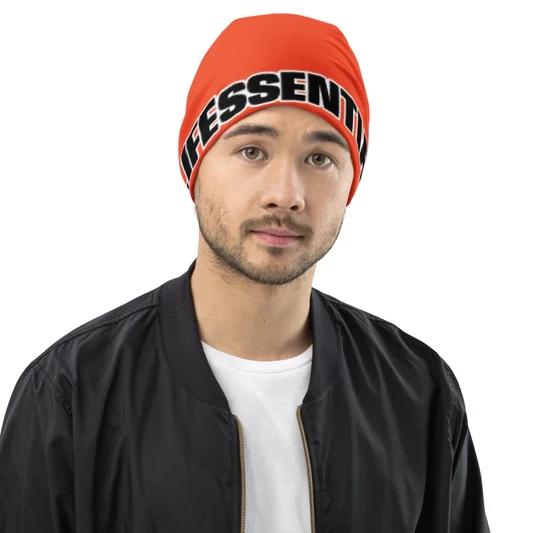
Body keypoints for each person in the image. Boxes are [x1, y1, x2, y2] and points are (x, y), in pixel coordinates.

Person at [0, 12, 491, 533]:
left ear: (351, 182)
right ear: (195, 167)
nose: (286, 194)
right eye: (252, 151)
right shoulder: (73, 391)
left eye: (320, 158)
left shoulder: (418, 391)